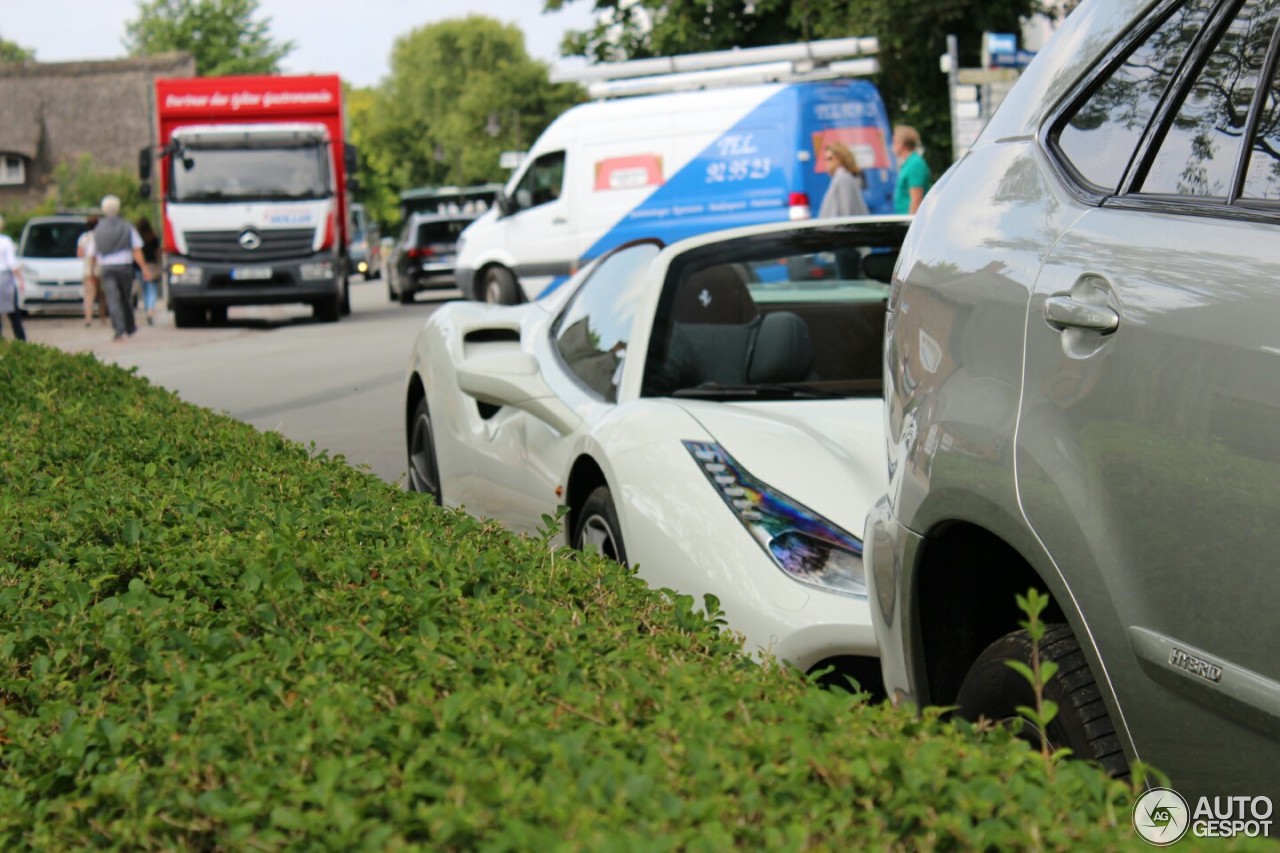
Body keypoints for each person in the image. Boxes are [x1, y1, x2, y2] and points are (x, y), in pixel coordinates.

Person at [93, 195, 146, 341]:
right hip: (124, 266)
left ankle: (119, 329)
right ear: (118, 209)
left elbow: (93, 252)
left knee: (112, 299)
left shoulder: (98, 229)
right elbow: (136, 249)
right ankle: (130, 326)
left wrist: (93, 272)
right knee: (125, 298)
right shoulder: (127, 226)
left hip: (107, 267)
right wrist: (144, 268)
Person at [818, 141, 869, 218]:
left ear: (841, 159)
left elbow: (846, 210)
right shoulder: (842, 177)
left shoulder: (842, 178)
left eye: (830, 159)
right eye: (825, 159)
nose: (827, 163)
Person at [893, 125, 932, 215]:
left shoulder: (915, 164)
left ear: (902, 143)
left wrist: (910, 223)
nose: (892, 145)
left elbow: (916, 199)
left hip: (910, 220)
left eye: (895, 141)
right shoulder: (909, 163)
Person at [77, 215, 108, 327]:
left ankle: (88, 319)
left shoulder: (83, 238)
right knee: (102, 295)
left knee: (89, 295)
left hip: (87, 269)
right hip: (101, 268)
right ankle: (102, 318)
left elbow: (79, 254)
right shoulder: (102, 237)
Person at [0, 215, 27, 342]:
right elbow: (12, 263)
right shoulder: (5, 241)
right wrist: (20, 280)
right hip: (4, 278)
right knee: (14, 314)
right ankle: (21, 342)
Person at [135, 216, 162, 326]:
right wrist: (158, 263)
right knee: (152, 289)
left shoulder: (136, 238)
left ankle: (147, 310)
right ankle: (150, 311)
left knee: (144, 289)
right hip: (151, 265)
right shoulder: (152, 237)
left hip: (139, 267)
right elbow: (157, 252)